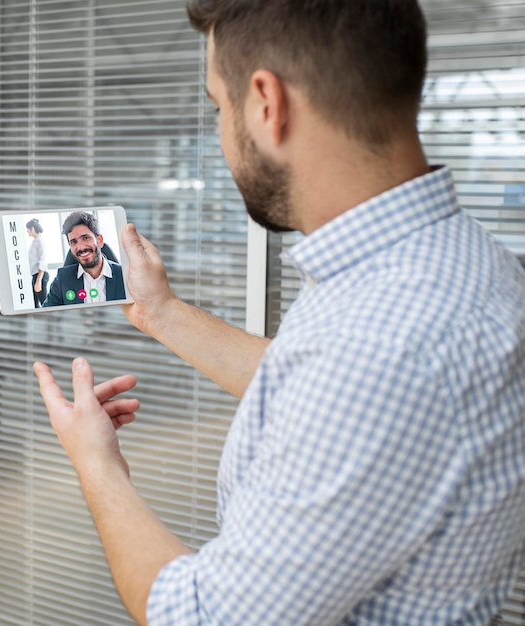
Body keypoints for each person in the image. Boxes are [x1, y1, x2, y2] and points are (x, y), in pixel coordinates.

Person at [33, 2, 525, 625]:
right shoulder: (459, 262)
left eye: (219, 107)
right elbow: (313, 381)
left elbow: (203, 616)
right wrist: (162, 313)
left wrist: (97, 466)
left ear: (267, 102)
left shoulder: (385, 342)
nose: (219, 134)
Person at [42, 211, 126, 307]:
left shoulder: (125, 275)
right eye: (74, 242)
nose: (81, 247)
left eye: (86, 238)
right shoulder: (62, 279)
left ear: (100, 240)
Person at [26, 218, 49, 307]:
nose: (26, 231)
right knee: (34, 303)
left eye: (27, 229)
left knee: (44, 303)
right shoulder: (35, 242)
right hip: (35, 275)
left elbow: (43, 261)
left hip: (40, 276)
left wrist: (38, 281)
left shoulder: (40, 242)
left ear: (32, 228)